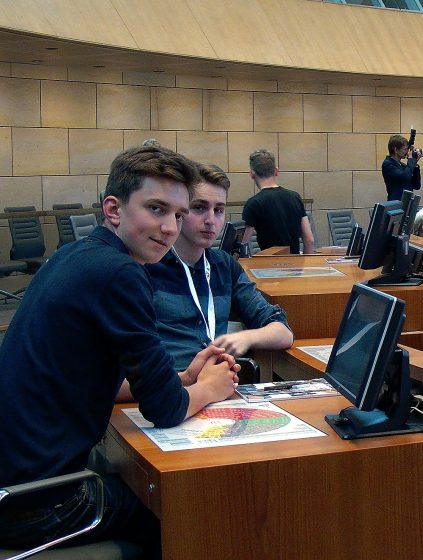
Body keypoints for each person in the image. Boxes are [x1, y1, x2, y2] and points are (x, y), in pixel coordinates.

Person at [0, 146, 240, 557]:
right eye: (157, 209)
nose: (170, 227)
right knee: (190, 512)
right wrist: (212, 389)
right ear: (113, 209)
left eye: (178, 215)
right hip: (39, 503)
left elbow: (88, 381)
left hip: (14, 484)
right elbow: (164, 410)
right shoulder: (121, 274)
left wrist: (181, 379)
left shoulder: (75, 255)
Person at [147, 163, 294, 372]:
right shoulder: (148, 266)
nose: (210, 220)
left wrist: (247, 337)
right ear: (179, 210)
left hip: (218, 386)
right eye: (199, 208)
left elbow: (283, 331)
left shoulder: (224, 266)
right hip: (168, 386)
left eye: (218, 210)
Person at [242, 149, 315, 254]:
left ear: (252, 174)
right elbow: (309, 240)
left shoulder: (253, 204)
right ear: (276, 171)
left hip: (269, 267)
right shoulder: (295, 197)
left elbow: (243, 244)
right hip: (295, 266)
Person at [382, 134, 422, 202]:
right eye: (405, 149)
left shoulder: (403, 166)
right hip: (395, 205)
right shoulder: (388, 164)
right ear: (396, 150)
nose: (407, 152)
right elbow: (404, 176)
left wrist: (415, 164)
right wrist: (411, 159)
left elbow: (416, 185)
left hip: (408, 203)